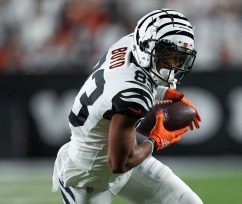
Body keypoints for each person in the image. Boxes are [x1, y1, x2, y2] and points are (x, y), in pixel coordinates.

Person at [52, 8, 203, 204]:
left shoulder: (129, 43)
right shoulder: (133, 94)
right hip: (89, 177)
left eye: (178, 58)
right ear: (147, 47)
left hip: (124, 160)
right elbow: (118, 164)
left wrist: (163, 93)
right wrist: (157, 140)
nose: (172, 66)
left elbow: (123, 84)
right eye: (167, 56)